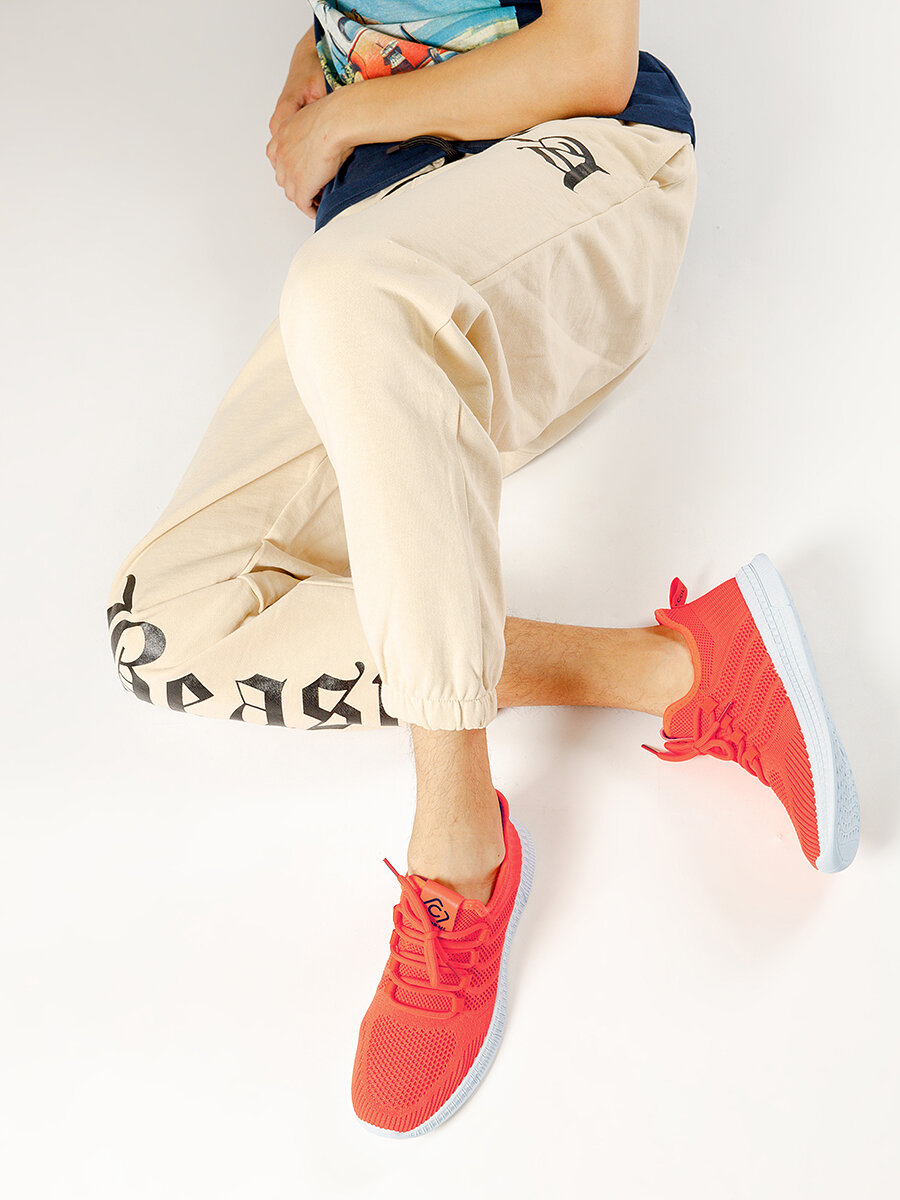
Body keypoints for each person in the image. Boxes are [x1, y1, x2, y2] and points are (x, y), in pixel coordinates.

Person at [105, 1, 861, 1139]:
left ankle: (458, 842)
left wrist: (346, 118)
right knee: (163, 622)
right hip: (388, 248)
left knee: (341, 289)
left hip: (580, 174)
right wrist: (314, 65)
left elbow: (592, 55)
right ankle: (676, 670)